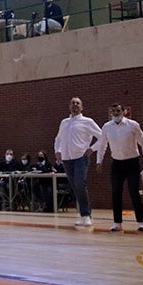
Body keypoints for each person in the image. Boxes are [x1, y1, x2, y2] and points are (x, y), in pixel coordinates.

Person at [95, 103, 143, 233]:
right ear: (110, 113)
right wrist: (99, 161)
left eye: (118, 110)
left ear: (124, 111)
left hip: (132, 163)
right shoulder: (106, 127)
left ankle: (141, 222)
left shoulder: (133, 125)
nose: (116, 113)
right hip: (116, 164)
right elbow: (103, 145)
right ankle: (117, 222)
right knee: (116, 193)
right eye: (113, 111)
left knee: (134, 192)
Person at [54, 97, 102, 226]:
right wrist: (57, 150)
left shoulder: (88, 121)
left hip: (81, 157)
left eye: (78, 103)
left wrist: (92, 148)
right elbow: (58, 138)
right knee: (75, 186)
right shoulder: (64, 122)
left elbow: (102, 137)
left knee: (80, 183)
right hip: (66, 159)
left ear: (82, 107)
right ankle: (84, 214)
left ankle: (86, 214)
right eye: (72, 103)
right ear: (69, 106)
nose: (75, 105)